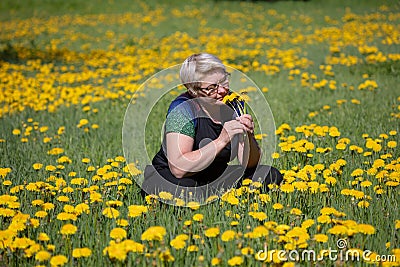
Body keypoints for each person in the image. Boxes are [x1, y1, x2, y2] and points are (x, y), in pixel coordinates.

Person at [141, 53, 282, 203]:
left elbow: (249, 163)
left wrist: (249, 136)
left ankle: (216, 198)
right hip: (175, 177)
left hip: (214, 175)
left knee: (269, 175)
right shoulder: (182, 110)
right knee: (183, 191)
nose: (222, 91)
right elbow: (179, 169)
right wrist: (222, 140)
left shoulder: (233, 103)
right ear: (193, 91)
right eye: (212, 88)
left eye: (223, 81)